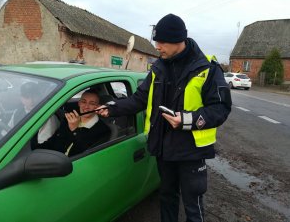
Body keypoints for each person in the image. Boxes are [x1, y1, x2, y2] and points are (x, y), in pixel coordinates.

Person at [97, 14, 232, 222]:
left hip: (191, 151)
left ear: (178, 40)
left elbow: (221, 108)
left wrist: (187, 120)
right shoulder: (158, 69)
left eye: (161, 42)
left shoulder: (208, 69)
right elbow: (140, 99)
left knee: (192, 205)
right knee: (167, 197)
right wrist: (112, 109)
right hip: (163, 148)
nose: (157, 47)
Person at [37, 89, 111, 157]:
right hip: (54, 158)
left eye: (92, 103)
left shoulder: (102, 130)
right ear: (79, 103)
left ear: (97, 107)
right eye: (83, 102)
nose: (86, 106)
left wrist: (74, 130)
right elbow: (54, 141)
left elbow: (85, 153)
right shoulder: (69, 119)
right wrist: (37, 150)